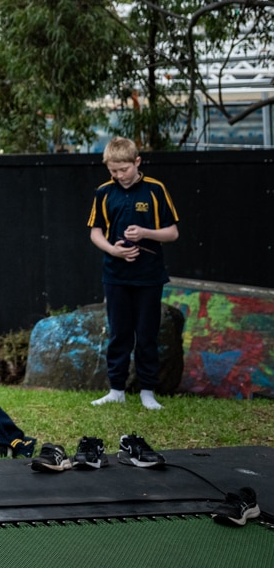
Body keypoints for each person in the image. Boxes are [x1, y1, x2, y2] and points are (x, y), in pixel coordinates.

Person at [87, 137, 179, 410]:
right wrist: (112, 251)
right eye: (113, 171)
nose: (118, 176)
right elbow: (95, 232)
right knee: (119, 333)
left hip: (149, 275)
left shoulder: (155, 189)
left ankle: (147, 392)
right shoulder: (104, 192)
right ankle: (116, 389)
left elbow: (172, 233)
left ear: (137, 162)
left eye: (123, 169)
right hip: (115, 274)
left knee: (147, 333)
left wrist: (145, 233)